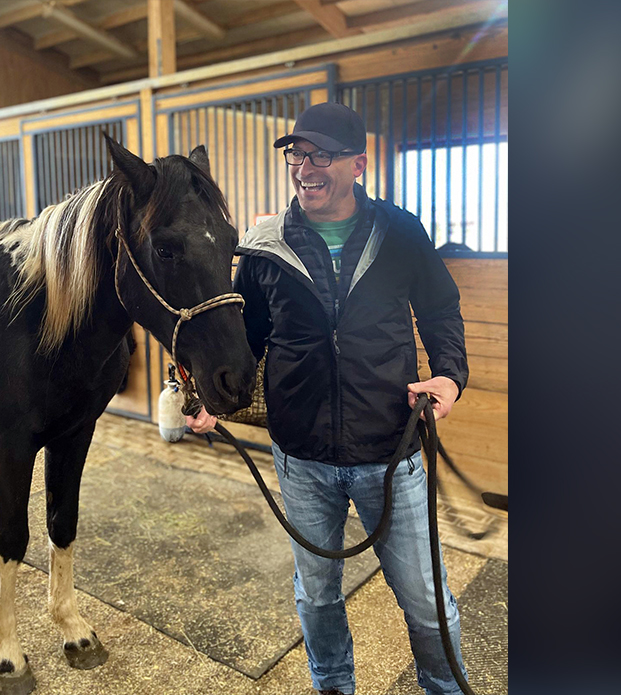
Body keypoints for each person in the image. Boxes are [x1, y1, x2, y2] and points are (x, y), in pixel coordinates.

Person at [186, 102, 469, 695]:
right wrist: (215, 396)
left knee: (424, 599)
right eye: (297, 154)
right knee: (316, 596)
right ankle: (333, 686)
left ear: (358, 165)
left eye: (320, 155)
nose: (304, 167)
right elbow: (251, 337)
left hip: (390, 453)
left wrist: (449, 376)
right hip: (302, 457)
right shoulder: (264, 245)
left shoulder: (400, 232)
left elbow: (440, 309)